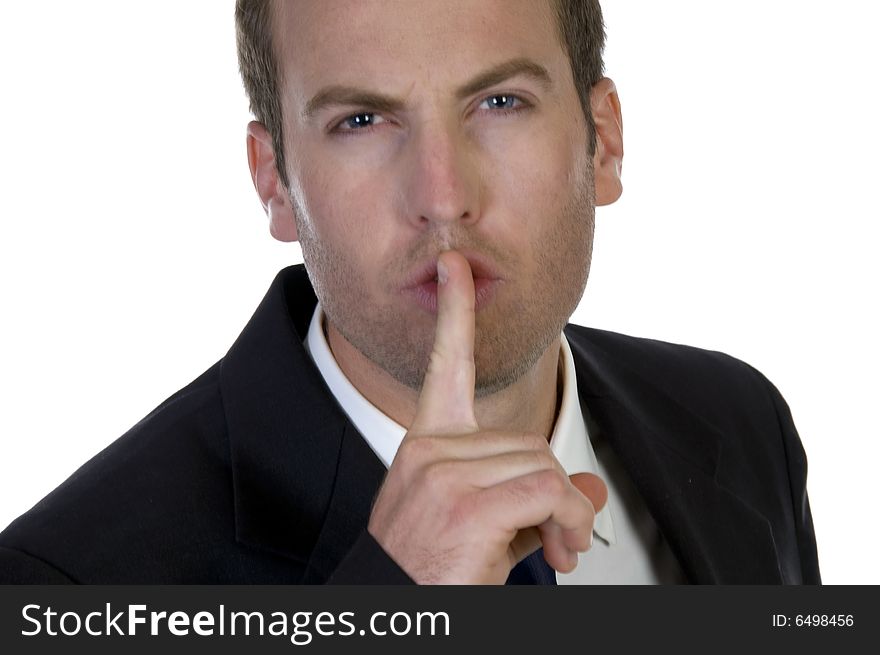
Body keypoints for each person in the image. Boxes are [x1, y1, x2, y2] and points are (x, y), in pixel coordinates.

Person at [0, 0, 819, 585]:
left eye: (502, 102)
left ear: (603, 142)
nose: (443, 195)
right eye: (361, 120)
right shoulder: (64, 579)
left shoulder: (743, 423)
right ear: (274, 183)